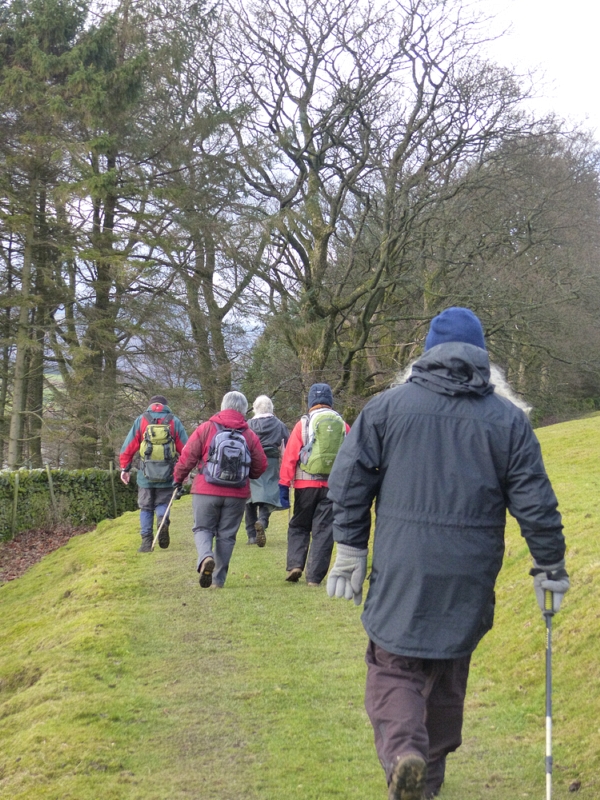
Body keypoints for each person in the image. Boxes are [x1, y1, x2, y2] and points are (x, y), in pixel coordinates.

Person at [326, 307, 569, 800]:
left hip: (402, 571)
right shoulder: (508, 421)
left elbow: (349, 483)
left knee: (394, 668)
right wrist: (550, 567)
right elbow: (536, 503)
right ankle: (423, 780)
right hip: (469, 576)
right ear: (484, 358)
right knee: (447, 675)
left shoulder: (385, 408)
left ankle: (402, 755)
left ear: (426, 354)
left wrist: (349, 546)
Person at [173, 391, 267, 588]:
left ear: (223, 406)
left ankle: (206, 557)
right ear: (244, 410)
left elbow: (188, 456)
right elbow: (260, 466)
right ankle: (218, 580)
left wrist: (178, 478)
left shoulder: (206, 428)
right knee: (227, 535)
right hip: (237, 494)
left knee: (202, 528)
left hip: (206, 490)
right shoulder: (249, 435)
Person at [279, 382, 350, 586]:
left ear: (310, 401)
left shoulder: (304, 423)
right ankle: (314, 578)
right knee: (324, 530)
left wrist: (284, 484)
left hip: (305, 485)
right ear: (330, 401)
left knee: (299, 525)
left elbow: (291, 456)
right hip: (332, 486)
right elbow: (352, 455)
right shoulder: (342, 425)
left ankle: (295, 565)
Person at [120, 395, 188, 553]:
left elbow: (128, 446)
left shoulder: (141, 420)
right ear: (166, 406)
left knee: (145, 507)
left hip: (145, 475)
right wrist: (184, 472)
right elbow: (186, 449)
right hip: (167, 473)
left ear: (150, 405)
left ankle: (146, 543)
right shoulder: (174, 421)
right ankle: (162, 520)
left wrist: (125, 468)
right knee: (163, 503)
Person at [244, 395, 290, 546]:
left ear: (255, 408)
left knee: (249, 499)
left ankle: (251, 535)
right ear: (271, 408)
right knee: (269, 494)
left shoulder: (248, 425)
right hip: (270, 463)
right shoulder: (279, 425)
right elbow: (286, 449)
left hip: (251, 462)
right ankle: (262, 521)